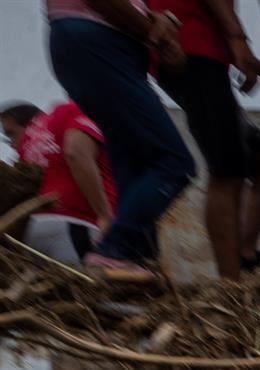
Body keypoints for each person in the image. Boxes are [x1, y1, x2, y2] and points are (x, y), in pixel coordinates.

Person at [42, 0, 196, 281]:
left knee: (134, 164)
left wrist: (156, 21)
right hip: (97, 42)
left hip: (90, 45)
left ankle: (132, 259)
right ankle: (115, 251)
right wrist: (156, 36)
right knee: (174, 162)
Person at [149, 0, 260, 278]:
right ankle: (231, 286)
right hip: (192, 50)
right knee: (227, 170)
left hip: (207, 53)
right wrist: (239, 39)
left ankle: (244, 254)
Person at [4, 100, 117, 266]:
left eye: (11, 134)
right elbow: (75, 153)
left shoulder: (31, 136)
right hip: (76, 224)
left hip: (35, 230)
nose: (12, 144)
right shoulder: (77, 108)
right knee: (86, 287)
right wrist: (105, 215)